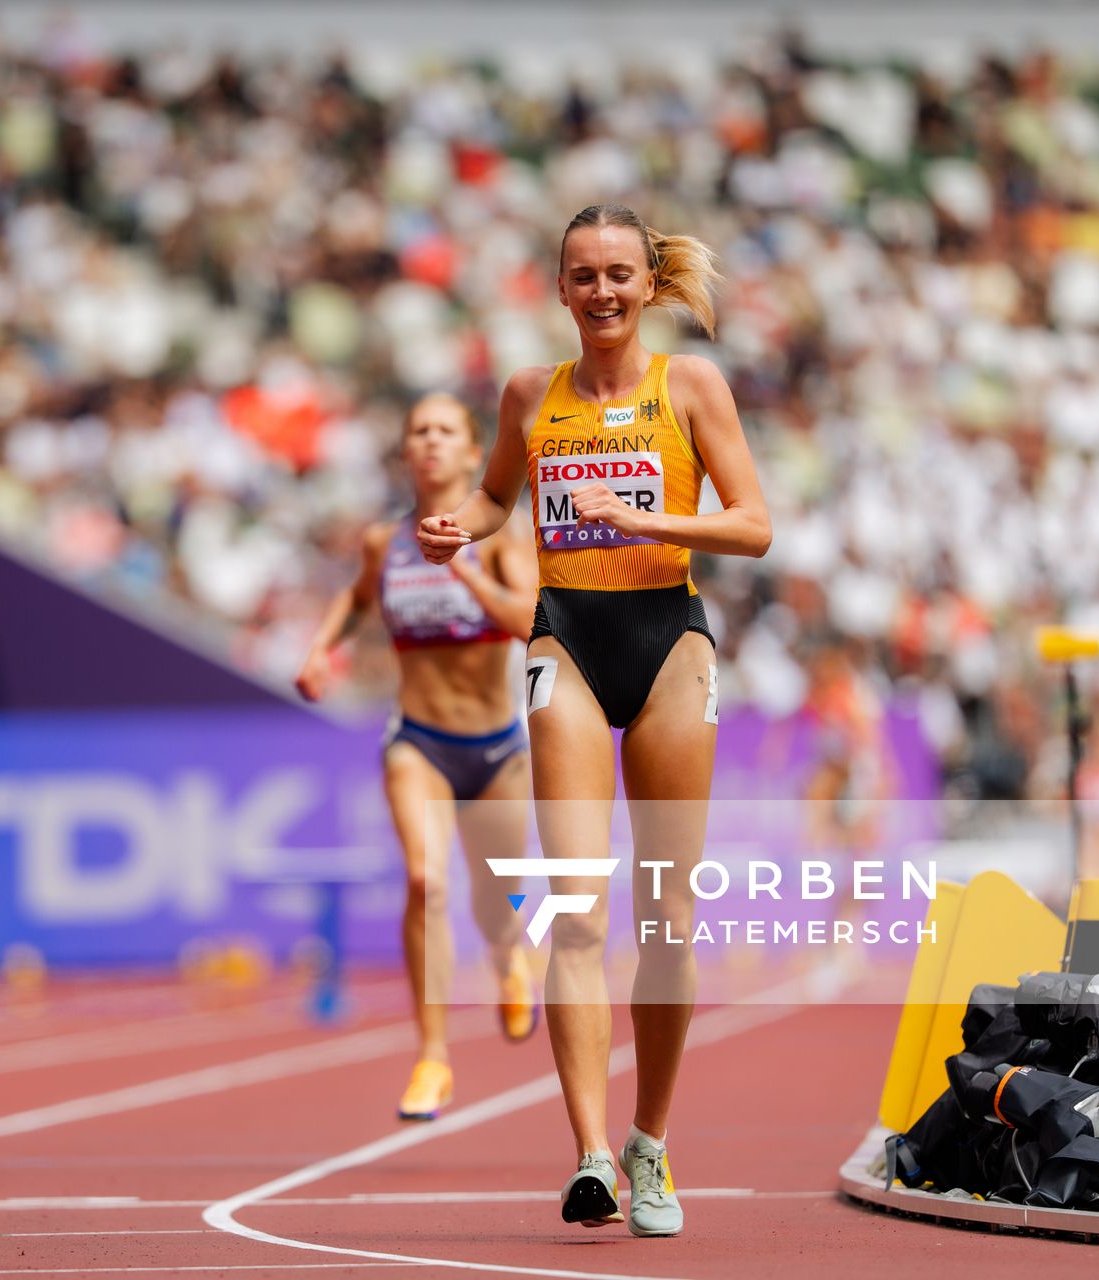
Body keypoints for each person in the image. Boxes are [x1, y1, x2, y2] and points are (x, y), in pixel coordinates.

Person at [419, 204, 772, 1237]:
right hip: (564, 637)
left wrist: (651, 517)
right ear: (561, 286)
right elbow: (494, 499)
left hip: (669, 640)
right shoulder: (530, 392)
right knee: (576, 909)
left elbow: (753, 524)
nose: (604, 292)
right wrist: (460, 530)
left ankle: (650, 1144)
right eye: (585, 276)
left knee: (666, 923)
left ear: (648, 283)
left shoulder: (690, 386)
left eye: (621, 274)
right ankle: (587, 1154)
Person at [297, 392, 541, 1122]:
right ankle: (433, 1056)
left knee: (498, 903)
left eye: (446, 431)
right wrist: (320, 649)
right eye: (418, 430)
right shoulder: (383, 542)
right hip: (419, 741)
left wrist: (462, 565)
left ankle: (507, 958)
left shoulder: (500, 535)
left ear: (473, 453)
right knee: (424, 879)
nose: (430, 441)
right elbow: (355, 598)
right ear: (406, 452)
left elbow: (529, 620)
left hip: (498, 747)